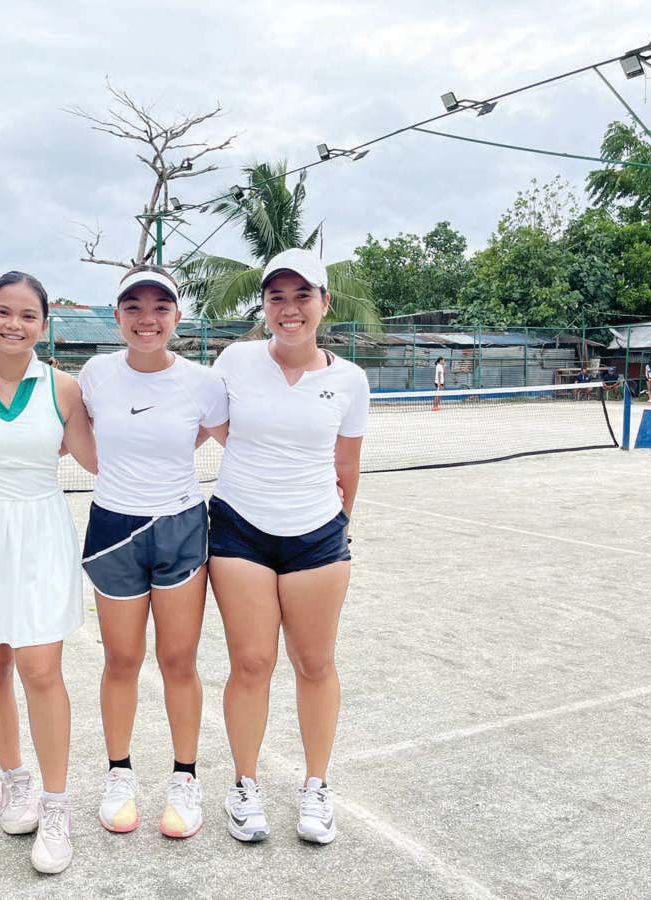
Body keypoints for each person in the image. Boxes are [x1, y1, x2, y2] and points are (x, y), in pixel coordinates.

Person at [205, 248, 369, 846]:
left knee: (315, 664)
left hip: (318, 537)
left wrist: (336, 524)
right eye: (278, 297)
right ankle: (245, 785)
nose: (290, 308)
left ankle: (316, 787)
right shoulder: (236, 360)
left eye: (303, 296)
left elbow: (347, 465)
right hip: (239, 529)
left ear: (324, 304)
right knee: (251, 663)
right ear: (265, 306)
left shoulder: (350, 380)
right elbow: (220, 428)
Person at [0, 271, 95, 875]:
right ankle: (15, 782)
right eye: (2, 312)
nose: (14, 324)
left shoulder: (66, 388)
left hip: (40, 527)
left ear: (44, 325)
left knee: (39, 666)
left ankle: (57, 807)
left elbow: (92, 455)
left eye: (27, 315)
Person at [77, 265, 228, 839]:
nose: (147, 319)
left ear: (177, 317)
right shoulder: (94, 375)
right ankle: (119, 775)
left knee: (179, 660)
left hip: (182, 526)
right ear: (117, 316)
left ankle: (185, 779)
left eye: (160, 308)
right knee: (120, 661)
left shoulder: (202, 382)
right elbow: (71, 434)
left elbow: (234, 441)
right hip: (114, 528)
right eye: (134, 308)